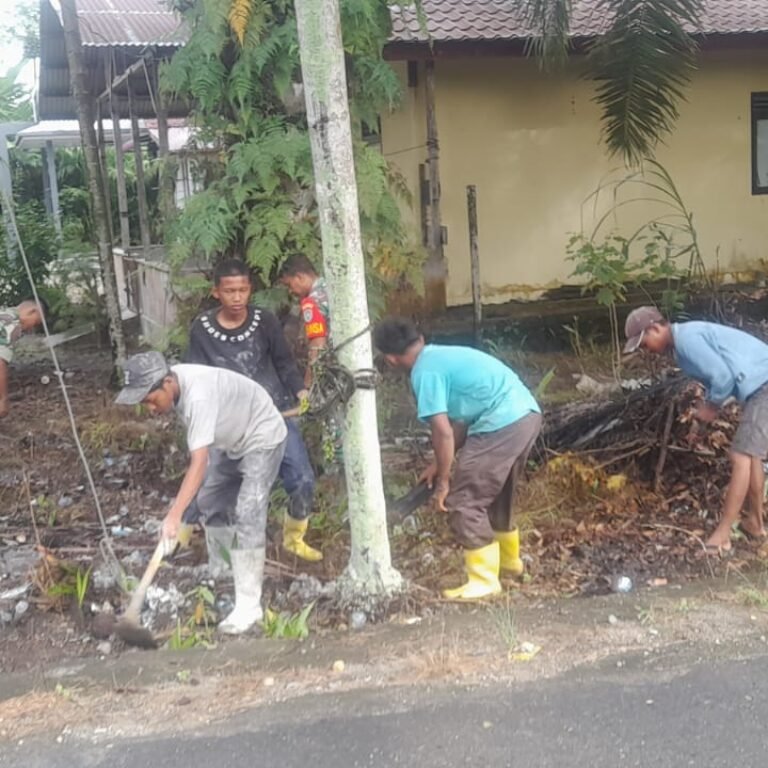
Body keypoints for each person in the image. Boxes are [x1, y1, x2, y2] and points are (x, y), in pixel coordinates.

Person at [115, 351, 287, 634]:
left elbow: (199, 463)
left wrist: (174, 516)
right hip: (230, 439)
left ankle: (248, 605)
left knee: (248, 510)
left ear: (167, 382)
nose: (150, 408)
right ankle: (222, 570)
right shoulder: (178, 386)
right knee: (211, 499)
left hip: (262, 434)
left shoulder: (198, 397)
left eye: (150, 400)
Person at [374, 318, 542, 600]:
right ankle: (510, 565)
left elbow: (442, 432)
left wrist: (443, 482)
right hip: (525, 416)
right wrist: (439, 466)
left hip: (502, 421)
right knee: (495, 493)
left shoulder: (424, 373)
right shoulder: (440, 356)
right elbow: (461, 421)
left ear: (391, 359)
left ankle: (484, 580)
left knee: (464, 500)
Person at [186, 259, 321, 562]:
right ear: (216, 292)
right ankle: (218, 553)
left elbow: (284, 363)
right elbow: (195, 377)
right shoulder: (202, 329)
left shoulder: (266, 321)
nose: (237, 298)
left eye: (243, 290)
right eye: (230, 291)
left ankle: (293, 538)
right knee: (218, 489)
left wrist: (301, 391)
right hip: (228, 424)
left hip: (275, 413)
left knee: (302, 479)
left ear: (250, 290)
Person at [624, 306, 768, 555]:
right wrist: (700, 423)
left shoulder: (688, 339)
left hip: (763, 386)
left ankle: (722, 535)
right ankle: (755, 524)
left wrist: (711, 407)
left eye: (644, 342)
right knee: (751, 454)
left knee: (740, 456)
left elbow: (723, 377)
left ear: (656, 328)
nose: (645, 350)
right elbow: (718, 381)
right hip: (758, 389)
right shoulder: (683, 348)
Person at [277, 254, 330, 388]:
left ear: (299, 277)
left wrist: (308, 382)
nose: (290, 291)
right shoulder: (331, 286)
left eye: (289, 285)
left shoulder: (313, 302)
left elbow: (318, 342)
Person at [0, 298, 48, 418]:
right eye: (36, 323)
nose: (31, 328)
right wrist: (3, 399)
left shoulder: (4, 313)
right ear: (32, 311)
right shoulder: (11, 323)